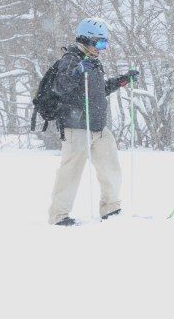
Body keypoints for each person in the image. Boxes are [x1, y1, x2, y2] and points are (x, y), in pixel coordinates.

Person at [47, 18, 139, 226]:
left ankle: (111, 208)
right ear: (86, 39)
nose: (102, 48)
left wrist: (122, 80)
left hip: (97, 125)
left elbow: (99, 90)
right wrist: (78, 71)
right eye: (99, 43)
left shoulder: (93, 61)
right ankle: (58, 216)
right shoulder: (71, 59)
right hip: (76, 126)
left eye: (105, 43)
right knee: (71, 172)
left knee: (111, 168)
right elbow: (60, 86)